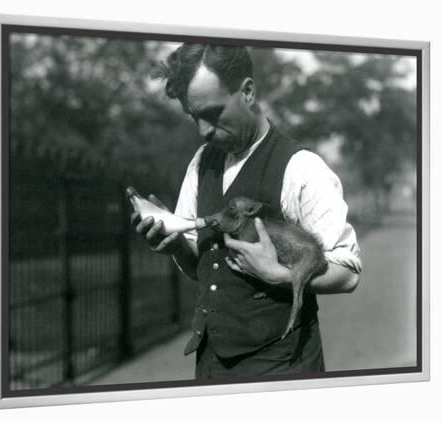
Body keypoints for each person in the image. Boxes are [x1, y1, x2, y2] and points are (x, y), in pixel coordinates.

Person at [131, 44, 362, 379]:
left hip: (282, 369)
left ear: (248, 92)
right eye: (194, 117)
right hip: (211, 366)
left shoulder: (301, 168)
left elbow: (349, 271)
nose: (203, 130)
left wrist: (280, 275)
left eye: (212, 113)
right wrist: (176, 245)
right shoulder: (201, 163)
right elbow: (207, 268)